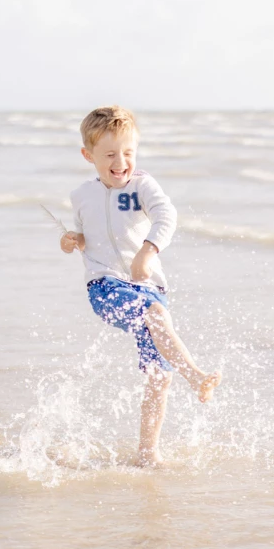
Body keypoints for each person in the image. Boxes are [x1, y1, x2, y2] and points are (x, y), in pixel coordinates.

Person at [60, 106, 221, 467]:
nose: (121, 162)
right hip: (104, 286)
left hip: (147, 285)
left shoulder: (142, 186)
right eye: (111, 154)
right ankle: (195, 377)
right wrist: (72, 240)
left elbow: (167, 216)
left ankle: (148, 453)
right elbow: (86, 237)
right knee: (156, 313)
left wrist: (148, 251)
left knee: (158, 375)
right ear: (89, 156)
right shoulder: (81, 195)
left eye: (129, 153)